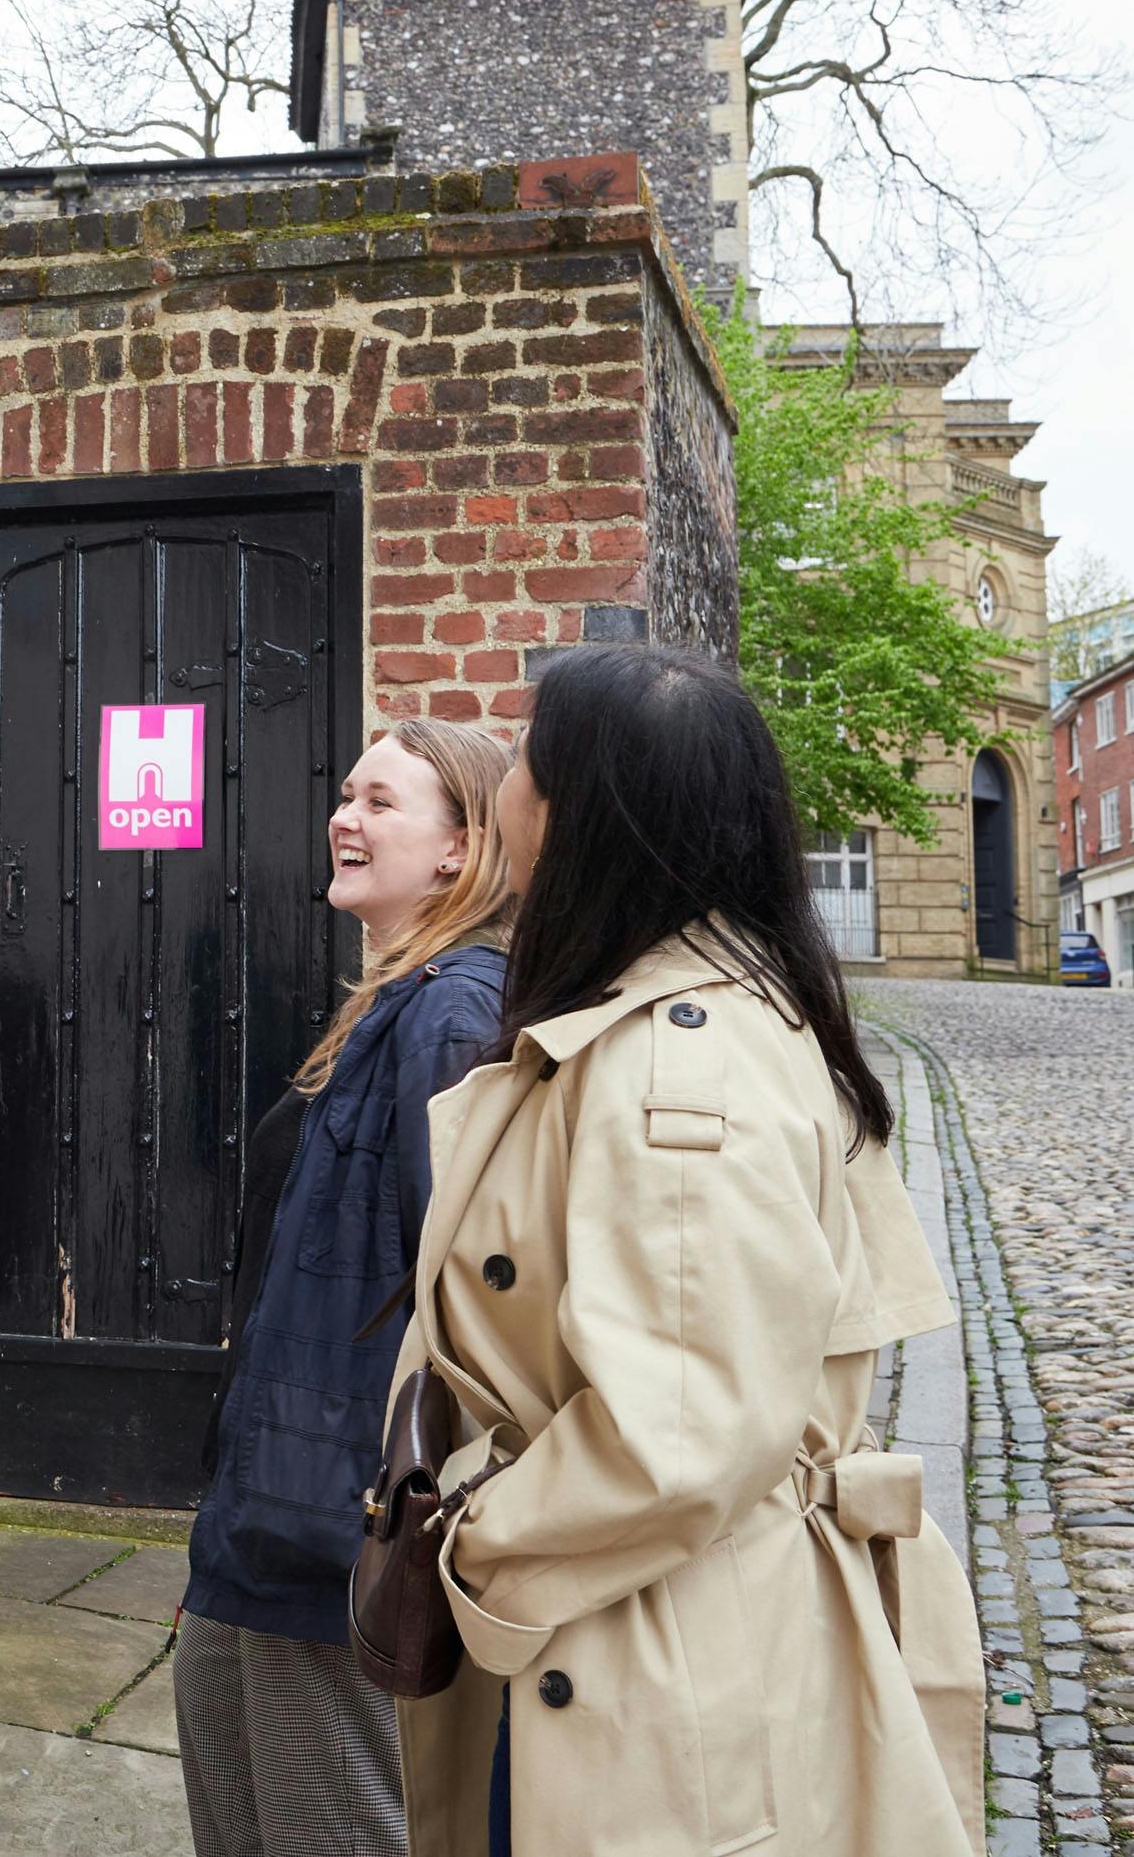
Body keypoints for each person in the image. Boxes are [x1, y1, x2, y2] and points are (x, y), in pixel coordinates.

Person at [396, 644, 981, 1857]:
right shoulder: (720, 1003)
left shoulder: (678, 1063)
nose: (502, 777)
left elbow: (679, 1428)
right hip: (649, 1629)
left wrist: (474, 1548)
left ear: (577, 811)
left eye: (523, 756)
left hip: (632, 1662)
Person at [175, 716, 516, 1857]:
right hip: (261, 1513)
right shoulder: (387, 1001)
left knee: (334, 1828)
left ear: (459, 849)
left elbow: (469, 1291)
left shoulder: (453, 1014)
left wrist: (390, 1518)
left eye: (378, 800)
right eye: (343, 792)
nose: (343, 815)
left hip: (336, 1527)